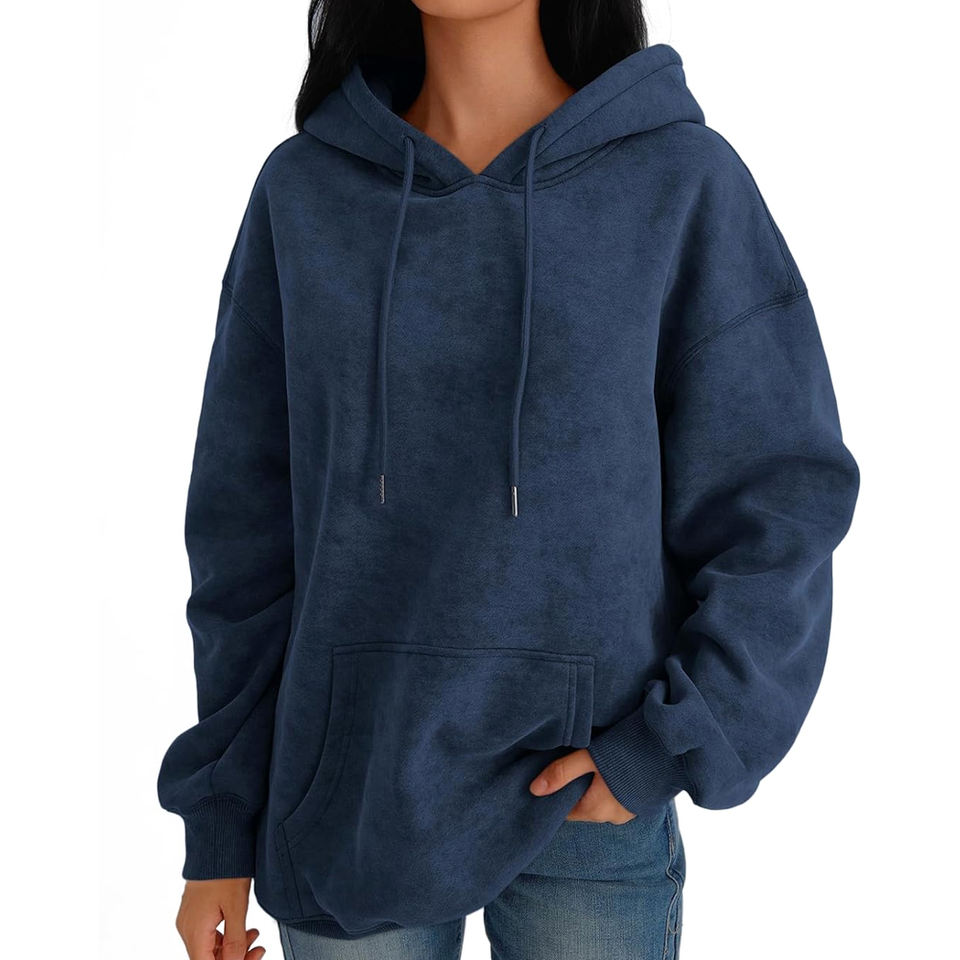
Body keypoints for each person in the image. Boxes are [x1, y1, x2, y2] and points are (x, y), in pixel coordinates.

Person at [158, 1, 860, 958]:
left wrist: (674, 740)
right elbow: (243, 534)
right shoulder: (306, 195)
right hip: (351, 801)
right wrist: (219, 825)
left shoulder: (677, 181)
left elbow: (779, 492)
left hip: (588, 797)